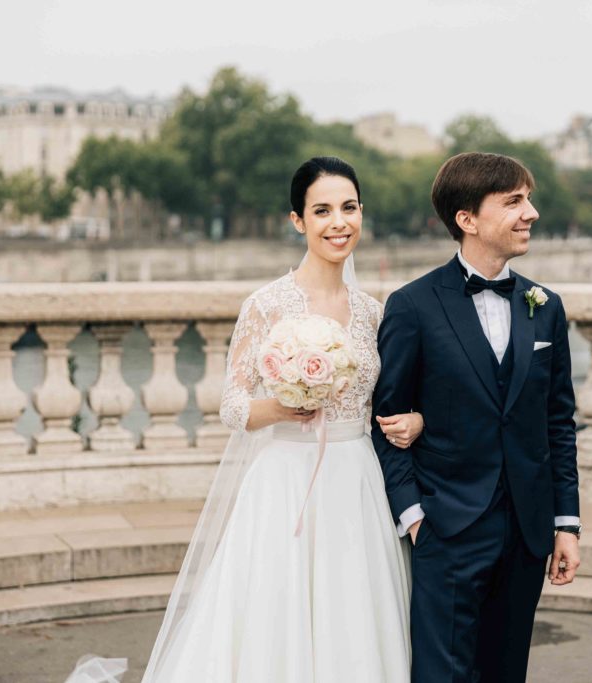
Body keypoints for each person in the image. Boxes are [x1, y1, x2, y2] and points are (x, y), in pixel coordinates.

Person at [66, 156, 423, 682]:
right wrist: (284, 406)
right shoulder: (266, 305)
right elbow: (232, 405)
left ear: (362, 213)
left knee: (354, 615)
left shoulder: (373, 311)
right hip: (285, 482)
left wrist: (415, 421)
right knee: (274, 617)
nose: (339, 222)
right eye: (322, 211)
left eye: (349, 208)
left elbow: (387, 402)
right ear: (298, 221)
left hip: (358, 481)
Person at [372, 152, 582, 683]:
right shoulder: (412, 306)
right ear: (466, 219)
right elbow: (385, 420)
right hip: (447, 528)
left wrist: (565, 524)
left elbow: (558, 422)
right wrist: (415, 519)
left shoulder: (545, 305)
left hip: (528, 531)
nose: (531, 213)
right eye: (513, 202)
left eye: (528, 199)